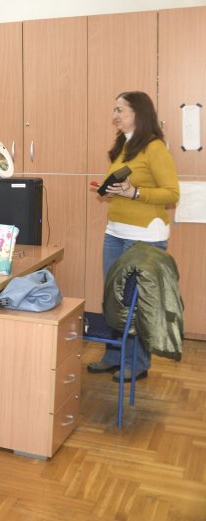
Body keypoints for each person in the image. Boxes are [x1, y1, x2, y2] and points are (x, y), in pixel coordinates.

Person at [87, 91, 179, 382]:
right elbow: (123, 186)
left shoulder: (154, 148)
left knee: (136, 303)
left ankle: (137, 363)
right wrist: (109, 190)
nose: (115, 115)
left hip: (145, 236)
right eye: (114, 109)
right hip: (115, 232)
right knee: (114, 298)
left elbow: (171, 193)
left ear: (139, 113)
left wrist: (135, 193)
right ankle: (114, 356)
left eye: (120, 110)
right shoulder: (123, 146)